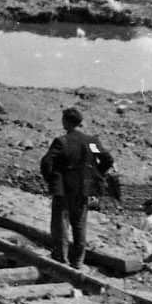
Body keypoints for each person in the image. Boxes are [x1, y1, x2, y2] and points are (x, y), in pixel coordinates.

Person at [40, 107, 115, 268]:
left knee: (61, 224)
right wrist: (95, 174)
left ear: (66, 121)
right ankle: (78, 261)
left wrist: (51, 179)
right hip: (83, 190)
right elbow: (106, 159)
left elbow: (47, 162)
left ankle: (61, 258)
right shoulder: (91, 143)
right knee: (79, 225)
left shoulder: (62, 141)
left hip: (64, 190)